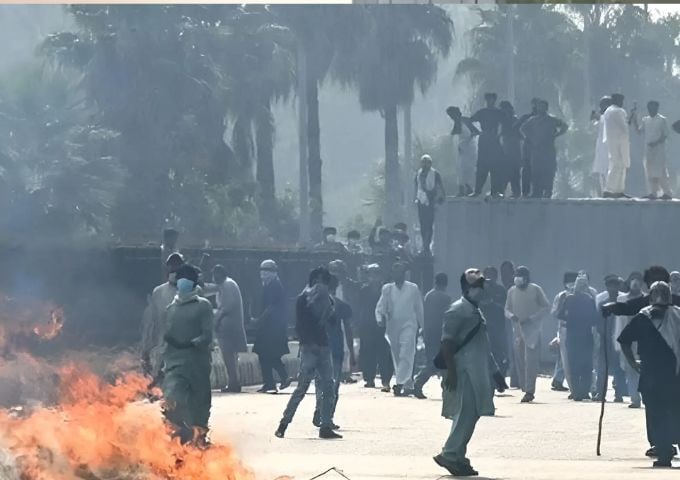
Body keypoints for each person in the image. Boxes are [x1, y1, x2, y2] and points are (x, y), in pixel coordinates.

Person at [434, 269, 505, 477]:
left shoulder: (475, 310)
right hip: (464, 372)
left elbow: (483, 346)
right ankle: (450, 453)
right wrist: (453, 373)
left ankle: (458, 455)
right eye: (478, 286)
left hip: (477, 371)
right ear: (467, 288)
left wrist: (495, 372)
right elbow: (446, 343)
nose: (483, 289)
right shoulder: (457, 310)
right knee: (465, 415)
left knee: (470, 415)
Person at [618, 281, 680, 468]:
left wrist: (632, 362)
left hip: (659, 376)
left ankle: (664, 452)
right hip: (667, 376)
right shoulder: (646, 316)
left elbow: (624, 340)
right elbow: (624, 340)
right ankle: (664, 451)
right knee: (665, 413)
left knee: (659, 415)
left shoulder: (672, 315)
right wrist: (632, 362)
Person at [275, 266, 342, 440]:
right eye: (317, 280)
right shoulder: (303, 300)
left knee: (328, 388)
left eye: (323, 281)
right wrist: (308, 343)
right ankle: (283, 424)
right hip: (310, 349)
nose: (319, 284)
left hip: (323, 347)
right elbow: (301, 326)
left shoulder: (328, 301)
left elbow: (333, 322)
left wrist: (329, 311)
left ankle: (325, 425)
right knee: (302, 388)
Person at [161, 264, 214, 445]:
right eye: (181, 277)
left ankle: (200, 436)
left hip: (197, 362)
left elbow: (207, 335)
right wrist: (159, 365)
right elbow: (165, 338)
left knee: (200, 402)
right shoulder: (170, 309)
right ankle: (176, 436)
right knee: (173, 399)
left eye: (187, 278)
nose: (183, 281)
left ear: (193, 283)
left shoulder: (203, 306)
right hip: (175, 364)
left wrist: (191, 343)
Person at [375, 262, 424, 396]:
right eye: (395, 272)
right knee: (397, 356)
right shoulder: (387, 289)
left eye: (400, 272)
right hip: (392, 328)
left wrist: (423, 326)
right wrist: (379, 319)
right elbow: (380, 307)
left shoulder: (413, 288)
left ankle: (399, 383)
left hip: (409, 325)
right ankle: (407, 384)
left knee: (406, 352)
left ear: (404, 274)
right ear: (392, 274)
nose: (398, 275)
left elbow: (419, 308)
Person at [505, 266, 550, 403]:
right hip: (518, 331)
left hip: (532, 331)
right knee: (520, 361)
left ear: (526, 277)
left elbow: (546, 307)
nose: (517, 278)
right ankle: (525, 388)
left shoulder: (535, 289)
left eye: (520, 275)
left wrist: (532, 318)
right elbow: (506, 309)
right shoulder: (512, 291)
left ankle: (530, 391)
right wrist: (511, 316)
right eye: (516, 275)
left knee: (530, 362)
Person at [313, 275, 352, 429]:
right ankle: (326, 416)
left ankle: (319, 409)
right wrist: (353, 355)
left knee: (319, 382)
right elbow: (348, 330)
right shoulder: (343, 306)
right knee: (333, 385)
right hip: (335, 350)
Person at [142, 253, 185, 383]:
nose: (174, 268)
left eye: (177, 265)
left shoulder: (191, 291)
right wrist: (146, 347)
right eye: (172, 265)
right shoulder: (159, 292)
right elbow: (152, 321)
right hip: (163, 342)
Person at [557, 274, 599, 401]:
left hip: (572, 336)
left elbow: (560, 314)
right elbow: (595, 318)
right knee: (586, 366)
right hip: (586, 336)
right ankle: (584, 391)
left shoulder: (569, 299)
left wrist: (570, 320)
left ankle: (576, 392)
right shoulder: (590, 300)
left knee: (573, 365)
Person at [253, 260, 292, 394]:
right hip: (269, 326)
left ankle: (282, 377)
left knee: (268, 353)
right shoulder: (268, 285)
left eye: (267, 270)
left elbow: (271, 307)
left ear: (274, 272)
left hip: (272, 327)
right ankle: (269, 382)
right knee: (264, 354)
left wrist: (260, 319)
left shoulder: (275, 286)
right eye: (262, 270)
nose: (263, 273)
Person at [519, 99, 568, 199]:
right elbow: (522, 129)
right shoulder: (533, 120)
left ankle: (548, 191)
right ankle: (537, 192)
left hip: (548, 149)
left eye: (543, 106)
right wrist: (531, 138)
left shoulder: (552, 119)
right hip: (537, 149)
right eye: (539, 106)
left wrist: (556, 135)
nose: (540, 108)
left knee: (549, 170)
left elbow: (564, 126)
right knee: (536, 171)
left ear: (546, 107)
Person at [414, 273, 452, 399]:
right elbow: (446, 316)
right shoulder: (445, 298)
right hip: (440, 333)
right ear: (446, 284)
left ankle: (421, 383)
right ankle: (419, 383)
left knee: (435, 360)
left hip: (429, 332)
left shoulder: (428, 296)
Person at [211, 265, 247, 394]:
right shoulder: (225, 285)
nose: (214, 278)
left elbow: (226, 307)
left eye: (216, 275)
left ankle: (234, 383)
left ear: (221, 274)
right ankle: (234, 382)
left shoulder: (228, 285)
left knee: (229, 358)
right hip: (228, 327)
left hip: (228, 328)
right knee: (231, 358)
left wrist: (215, 320)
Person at [358, 264, 394, 392]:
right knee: (368, 352)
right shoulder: (363, 290)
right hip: (367, 325)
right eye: (371, 274)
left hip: (383, 325)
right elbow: (360, 308)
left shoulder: (386, 290)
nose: (374, 277)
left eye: (377, 273)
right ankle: (369, 378)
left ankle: (386, 379)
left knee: (384, 353)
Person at [594, 275, 628, 402]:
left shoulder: (623, 303)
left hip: (619, 340)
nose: (613, 288)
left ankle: (618, 394)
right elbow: (598, 322)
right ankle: (601, 393)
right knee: (602, 368)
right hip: (605, 340)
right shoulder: (603, 304)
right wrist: (602, 334)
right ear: (607, 287)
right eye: (610, 285)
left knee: (618, 368)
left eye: (615, 285)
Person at [614, 271, 644, 408]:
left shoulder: (647, 299)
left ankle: (646, 396)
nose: (635, 282)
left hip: (643, 340)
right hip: (627, 339)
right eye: (633, 279)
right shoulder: (622, 300)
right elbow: (618, 322)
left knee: (645, 368)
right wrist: (617, 341)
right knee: (630, 368)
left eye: (638, 279)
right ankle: (634, 398)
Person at [633, 101, 672, 200]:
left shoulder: (662, 120)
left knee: (661, 171)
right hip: (648, 150)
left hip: (659, 150)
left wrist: (656, 142)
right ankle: (653, 193)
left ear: (657, 108)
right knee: (649, 171)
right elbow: (638, 131)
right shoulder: (645, 120)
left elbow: (665, 135)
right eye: (649, 108)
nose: (651, 109)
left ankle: (667, 192)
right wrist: (634, 118)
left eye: (653, 108)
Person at [469, 93, 505, 197]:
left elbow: (506, 123)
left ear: (495, 100)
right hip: (484, 139)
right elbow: (470, 120)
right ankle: (477, 190)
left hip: (494, 139)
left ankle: (495, 191)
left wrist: (499, 134)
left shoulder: (498, 112)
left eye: (492, 99)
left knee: (495, 166)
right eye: (488, 99)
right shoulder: (482, 112)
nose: (490, 101)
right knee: (481, 165)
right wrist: (477, 131)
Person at [550, 271, 579, 394]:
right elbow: (554, 313)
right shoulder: (561, 296)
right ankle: (568, 384)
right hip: (564, 328)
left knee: (571, 357)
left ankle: (558, 379)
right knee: (565, 357)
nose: (571, 284)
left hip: (579, 329)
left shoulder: (582, 294)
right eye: (569, 281)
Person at [480, 267, 508, 376]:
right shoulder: (479, 289)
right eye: (487, 275)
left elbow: (505, 307)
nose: (489, 278)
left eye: (491, 275)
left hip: (497, 327)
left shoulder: (501, 290)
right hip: (482, 328)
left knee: (498, 353)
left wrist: (493, 304)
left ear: (496, 277)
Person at [414, 154, 445, 254]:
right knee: (423, 225)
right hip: (421, 202)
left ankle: (428, 244)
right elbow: (417, 187)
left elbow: (440, 187)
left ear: (430, 163)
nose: (424, 164)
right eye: (423, 162)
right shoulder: (418, 174)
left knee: (429, 224)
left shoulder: (435, 174)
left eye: (427, 162)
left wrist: (440, 198)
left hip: (431, 201)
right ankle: (424, 244)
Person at [602, 93, 632, 198]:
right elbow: (624, 127)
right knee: (619, 164)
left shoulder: (607, 111)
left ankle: (616, 190)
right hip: (620, 141)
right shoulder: (619, 111)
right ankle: (611, 189)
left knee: (615, 164)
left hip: (611, 141)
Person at [448, 106, 478, 197]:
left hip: (469, 148)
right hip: (462, 149)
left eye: (452, 115)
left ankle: (467, 188)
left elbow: (476, 132)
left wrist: (468, 139)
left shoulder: (465, 120)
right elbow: (453, 135)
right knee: (460, 168)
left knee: (467, 168)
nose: (451, 117)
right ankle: (463, 188)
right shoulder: (456, 123)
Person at [516, 99, 540, 197]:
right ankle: (525, 192)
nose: (535, 107)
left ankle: (537, 191)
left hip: (540, 148)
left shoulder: (544, 118)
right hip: (529, 146)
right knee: (527, 168)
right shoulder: (527, 117)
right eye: (534, 105)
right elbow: (517, 128)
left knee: (539, 169)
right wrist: (526, 137)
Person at [499, 101, 522, 198]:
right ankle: (503, 191)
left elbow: (518, 134)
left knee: (512, 171)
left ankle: (514, 192)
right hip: (508, 147)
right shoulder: (505, 119)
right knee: (506, 171)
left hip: (513, 148)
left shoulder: (513, 119)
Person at [591, 96, 613, 197]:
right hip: (600, 147)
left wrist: (598, 117)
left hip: (609, 147)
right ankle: (601, 193)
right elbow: (594, 130)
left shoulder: (612, 115)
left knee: (608, 169)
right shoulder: (600, 117)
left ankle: (608, 191)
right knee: (599, 171)